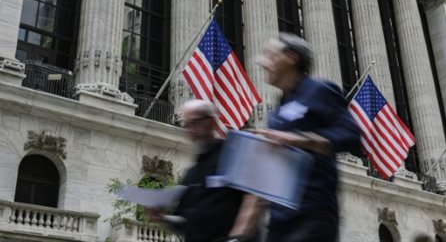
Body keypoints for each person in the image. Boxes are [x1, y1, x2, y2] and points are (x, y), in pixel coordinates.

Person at [256, 33, 361, 242]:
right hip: (280, 217)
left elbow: (351, 136)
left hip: (313, 212)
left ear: (291, 58)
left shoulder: (320, 90)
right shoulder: (276, 114)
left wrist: (299, 140)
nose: (262, 62)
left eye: (270, 55)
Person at [148, 99, 261, 242]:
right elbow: (185, 222)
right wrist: (162, 218)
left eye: (195, 123)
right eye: (187, 126)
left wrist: (237, 237)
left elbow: (253, 198)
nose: (192, 131)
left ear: (211, 121)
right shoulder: (192, 173)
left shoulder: (233, 154)